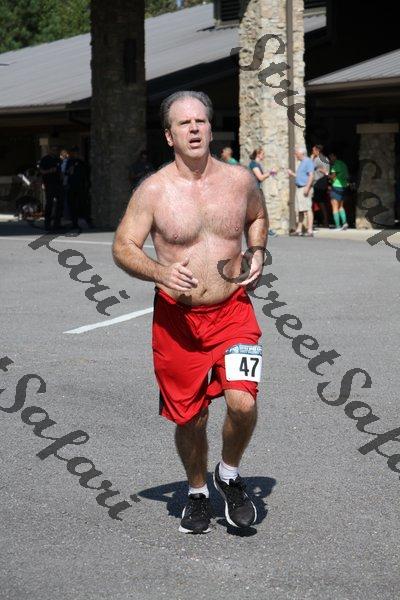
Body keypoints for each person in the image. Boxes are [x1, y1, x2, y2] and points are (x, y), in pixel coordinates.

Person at [113, 90, 269, 534]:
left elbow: (257, 217)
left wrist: (258, 251)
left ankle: (229, 475)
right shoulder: (153, 191)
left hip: (233, 311)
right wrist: (159, 271)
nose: (195, 128)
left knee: (243, 403)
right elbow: (123, 247)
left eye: (200, 120)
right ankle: (198, 492)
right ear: (169, 136)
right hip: (177, 322)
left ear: (210, 127)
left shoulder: (239, 181)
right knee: (191, 417)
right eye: (184, 123)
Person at [248, 148, 277, 237]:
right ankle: (265, 231)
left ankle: (265, 230)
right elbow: (260, 177)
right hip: (255, 191)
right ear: (258, 154)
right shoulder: (253, 164)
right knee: (261, 212)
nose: (264, 155)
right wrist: (270, 172)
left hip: (257, 190)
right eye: (263, 154)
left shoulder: (256, 164)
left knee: (261, 212)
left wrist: (270, 173)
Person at [288, 146, 314, 237]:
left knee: (307, 209)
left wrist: (307, 187)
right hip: (299, 188)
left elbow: (311, 175)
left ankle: (310, 230)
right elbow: (301, 176)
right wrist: (292, 174)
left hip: (304, 188)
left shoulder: (308, 161)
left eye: (297, 154)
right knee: (300, 210)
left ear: (302, 153)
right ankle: (299, 230)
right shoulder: (302, 162)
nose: (296, 155)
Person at [66, 147, 93, 230]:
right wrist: (70, 170)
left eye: (77, 153)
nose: (75, 154)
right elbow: (67, 172)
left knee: (83, 203)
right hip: (72, 185)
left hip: (81, 185)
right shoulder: (70, 161)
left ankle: (87, 220)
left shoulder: (82, 162)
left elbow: (87, 171)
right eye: (74, 153)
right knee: (72, 204)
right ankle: (74, 222)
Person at [38, 145, 63, 231]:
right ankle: (47, 224)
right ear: (50, 150)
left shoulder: (58, 159)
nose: (55, 151)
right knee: (49, 204)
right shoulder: (45, 159)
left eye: (56, 150)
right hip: (49, 184)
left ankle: (57, 223)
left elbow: (61, 170)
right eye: (53, 150)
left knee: (60, 203)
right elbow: (41, 171)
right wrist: (50, 171)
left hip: (58, 184)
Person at [328, 150, 349, 230]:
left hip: (336, 187)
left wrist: (326, 174)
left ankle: (337, 226)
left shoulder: (335, 165)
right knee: (341, 206)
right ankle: (344, 223)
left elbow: (333, 176)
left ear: (335, 156)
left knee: (334, 207)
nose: (330, 159)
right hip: (343, 187)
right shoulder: (344, 164)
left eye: (331, 157)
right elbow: (347, 176)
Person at [311, 144, 330, 228]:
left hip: (318, 182)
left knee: (313, 202)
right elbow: (327, 172)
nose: (312, 152)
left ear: (317, 151)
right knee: (321, 202)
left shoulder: (317, 159)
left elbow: (310, 167)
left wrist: (311, 158)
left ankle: (312, 222)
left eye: (313, 150)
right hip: (323, 182)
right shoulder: (325, 158)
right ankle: (325, 221)